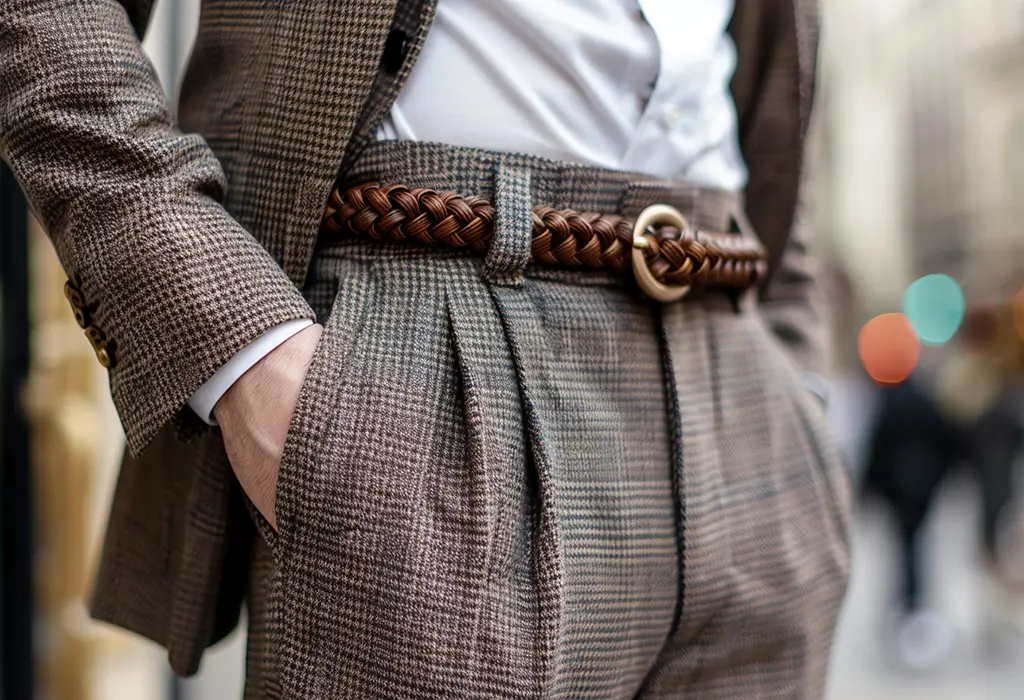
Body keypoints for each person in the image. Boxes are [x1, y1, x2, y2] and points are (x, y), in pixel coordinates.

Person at [0, 1, 851, 697]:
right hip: (428, 363)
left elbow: (778, 113)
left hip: (740, 381)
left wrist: (799, 383)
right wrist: (243, 344)